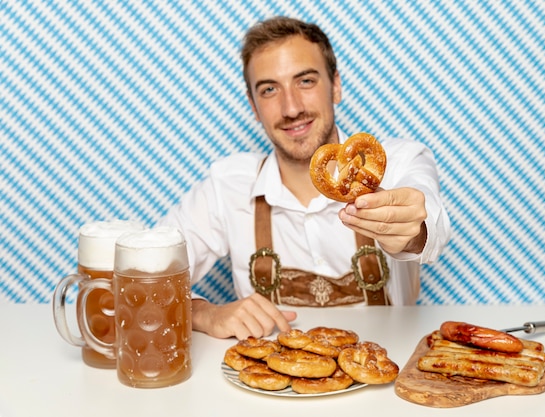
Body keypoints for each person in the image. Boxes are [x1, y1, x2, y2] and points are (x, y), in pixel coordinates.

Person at [159, 16, 451, 340]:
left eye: (306, 81)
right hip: (270, 383)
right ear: (254, 107)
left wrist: (409, 233)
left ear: (336, 85)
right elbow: (146, 274)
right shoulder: (226, 187)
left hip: (386, 373)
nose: (291, 108)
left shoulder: (397, 164)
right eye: (269, 89)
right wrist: (203, 313)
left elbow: (430, 225)